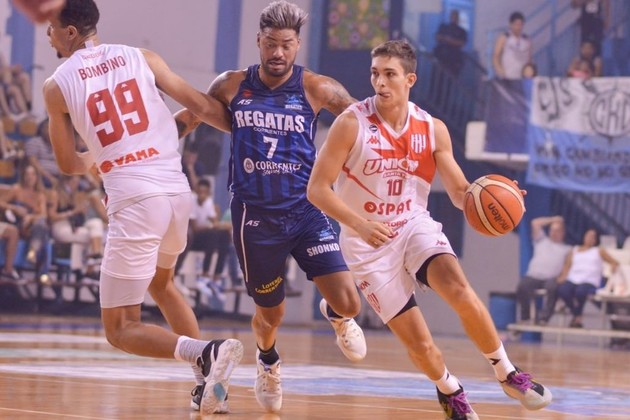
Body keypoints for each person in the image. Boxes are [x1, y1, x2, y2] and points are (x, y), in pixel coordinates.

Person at [307, 39, 552, 419]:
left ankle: (506, 371)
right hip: (367, 242)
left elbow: (459, 191)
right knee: (421, 345)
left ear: (410, 79)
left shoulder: (432, 128)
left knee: (458, 288)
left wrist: (495, 195)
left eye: (390, 74)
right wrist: (358, 224)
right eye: (375, 73)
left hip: (412, 225)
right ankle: (449, 388)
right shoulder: (350, 124)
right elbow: (317, 189)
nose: (380, 82)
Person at [41, 0, 242, 415]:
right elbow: (201, 106)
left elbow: (67, 164)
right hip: (177, 193)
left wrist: (97, 157)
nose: (48, 34)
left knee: (120, 328)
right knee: (161, 284)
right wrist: (245, 131)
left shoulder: (56, 86)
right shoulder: (142, 57)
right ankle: (209, 386)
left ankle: (206, 352)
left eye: (52, 28)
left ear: (71, 33)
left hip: (135, 199)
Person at [175, 1, 366, 414]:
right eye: (271, 44)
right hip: (255, 217)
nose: (278, 53)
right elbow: (191, 117)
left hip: (307, 210)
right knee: (271, 314)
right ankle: (268, 360)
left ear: (297, 45)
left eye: (286, 45)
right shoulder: (231, 85)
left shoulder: (317, 87)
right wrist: (147, 146)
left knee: (350, 303)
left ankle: (335, 315)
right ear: (258, 41)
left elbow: (364, 124)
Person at [556, 228, 619, 328]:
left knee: (580, 292)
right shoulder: (574, 250)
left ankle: (577, 316)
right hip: (573, 279)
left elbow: (613, 262)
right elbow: (567, 266)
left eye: (593, 237)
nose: (590, 238)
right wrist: (563, 276)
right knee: (563, 290)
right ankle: (577, 314)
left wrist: (613, 267)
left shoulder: (599, 251)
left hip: (589, 280)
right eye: (588, 235)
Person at [515, 216, 571, 325]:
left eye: (557, 230)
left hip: (551, 278)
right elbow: (535, 223)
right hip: (534, 276)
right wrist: (553, 219)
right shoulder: (541, 240)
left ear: (562, 232)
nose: (554, 233)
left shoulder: (567, 249)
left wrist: (562, 277)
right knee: (522, 287)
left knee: (553, 288)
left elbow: (567, 266)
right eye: (552, 230)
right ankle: (525, 316)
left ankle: (544, 318)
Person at [492, 11, 532, 80]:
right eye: (516, 24)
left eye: (521, 25)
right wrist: (499, 69)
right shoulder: (504, 37)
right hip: (507, 77)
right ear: (511, 24)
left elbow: (529, 59)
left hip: (522, 77)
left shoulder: (527, 40)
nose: (519, 27)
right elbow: (495, 56)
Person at [433, 10, 468, 76]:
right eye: (452, 16)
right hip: (441, 56)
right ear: (450, 17)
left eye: (455, 17)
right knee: (438, 76)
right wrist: (445, 38)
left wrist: (450, 41)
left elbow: (462, 43)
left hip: (453, 59)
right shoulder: (444, 27)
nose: (454, 18)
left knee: (451, 77)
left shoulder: (461, 31)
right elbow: (437, 37)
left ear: (458, 18)